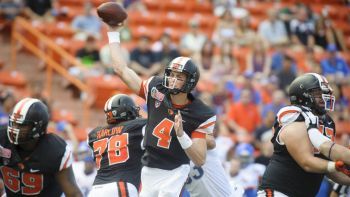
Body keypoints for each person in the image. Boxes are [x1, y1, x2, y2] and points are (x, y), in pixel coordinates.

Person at [106, 22, 216, 197]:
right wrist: (113, 33)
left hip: (175, 171)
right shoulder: (156, 88)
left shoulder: (200, 112)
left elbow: (200, 159)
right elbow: (121, 69)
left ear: (190, 82)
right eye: (171, 74)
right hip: (148, 167)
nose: (172, 80)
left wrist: (182, 135)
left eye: (179, 77)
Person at [258, 73, 350, 197]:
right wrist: (335, 165)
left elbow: (325, 166)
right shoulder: (295, 115)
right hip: (279, 191)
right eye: (318, 94)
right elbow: (306, 162)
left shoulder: (327, 122)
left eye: (325, 93)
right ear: (303, 96)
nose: (324, 98)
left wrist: (340, 170)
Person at [0, 97, 82, 196]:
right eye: (13, 123)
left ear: (38, 128)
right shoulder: (2, 139)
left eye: (22, 125)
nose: (14, 129)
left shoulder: (54, 150)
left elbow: (73, 193)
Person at [87, 94, 147, 197]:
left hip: (96, 189)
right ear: (127, 111)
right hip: (121, 185)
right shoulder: (137, 126)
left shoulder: (93, 135)